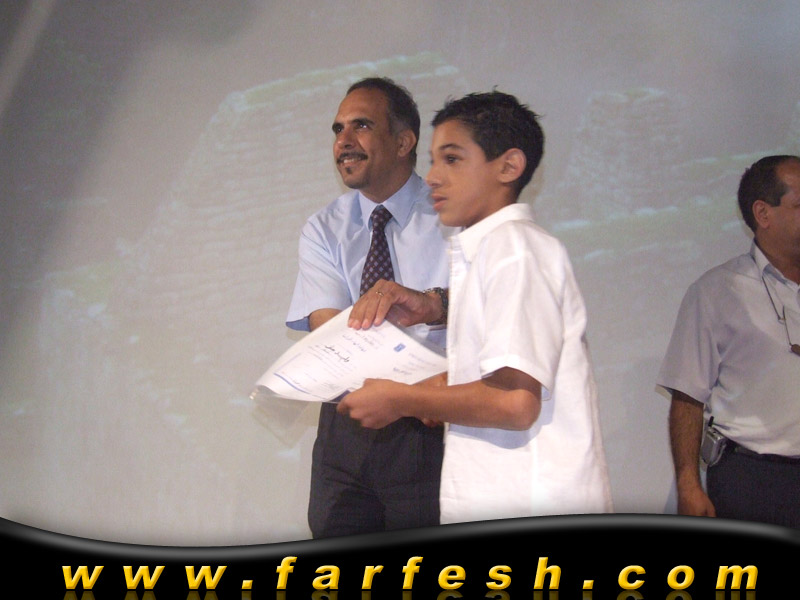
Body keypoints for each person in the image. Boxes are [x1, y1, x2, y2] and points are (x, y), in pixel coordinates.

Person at [338, 91, 613, 524]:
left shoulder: (515, 249)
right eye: (432, 160)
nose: (432, 177)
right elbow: (498, 379)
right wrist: (435, 388)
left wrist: (401, 399)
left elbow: (515, 402)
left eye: (452, 159)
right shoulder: (487, 251)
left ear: (509, 166)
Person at [285, 77, 454, 538]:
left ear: (403, 142)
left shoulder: (452, 214)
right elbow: (331, 331)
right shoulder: (324, 228)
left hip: (432, 423)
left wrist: (435, 306)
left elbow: (490, 307)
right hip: (348, 424)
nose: (343, 140)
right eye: (338, 129)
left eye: (361, 125)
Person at [657, 154, 800, 528]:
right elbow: (688, 397)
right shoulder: (717, 291)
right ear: (763, 213)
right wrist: (688, 483)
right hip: (754, 480)